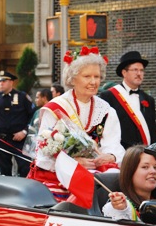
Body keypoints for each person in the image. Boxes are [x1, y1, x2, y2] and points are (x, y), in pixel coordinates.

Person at [28, 47, 125, 201]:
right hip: (57, 175)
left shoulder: (107, 111)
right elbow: (43, 151)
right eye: (87, 76)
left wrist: (110, 156)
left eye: (97, 76)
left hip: (96, 172)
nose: (93, 82)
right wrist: (71, 163)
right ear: (72, 79)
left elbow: (113, 145)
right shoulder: (55, 108)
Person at [0, 70, 34, 177]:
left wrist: (24, 131)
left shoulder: (22, 97)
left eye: (4, 81)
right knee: (4, 170)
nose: (1, 83)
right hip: (2, 140)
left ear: (11, 82)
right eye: (0, 81)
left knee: (24, 169)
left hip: (19, 140)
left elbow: (33, 115)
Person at [99, 51, 156, 148]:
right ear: (124, 73)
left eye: (141, 70)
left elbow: (152, 130)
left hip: (144, 152)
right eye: (135, 70)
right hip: (120, 152)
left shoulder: (149, 99)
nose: (139, 74)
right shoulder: (109, 96)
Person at [103, 145, 156, 221]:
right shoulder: (121, 207)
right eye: (145, 167)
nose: (153, 171)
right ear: (130, 171)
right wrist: (121, 209)